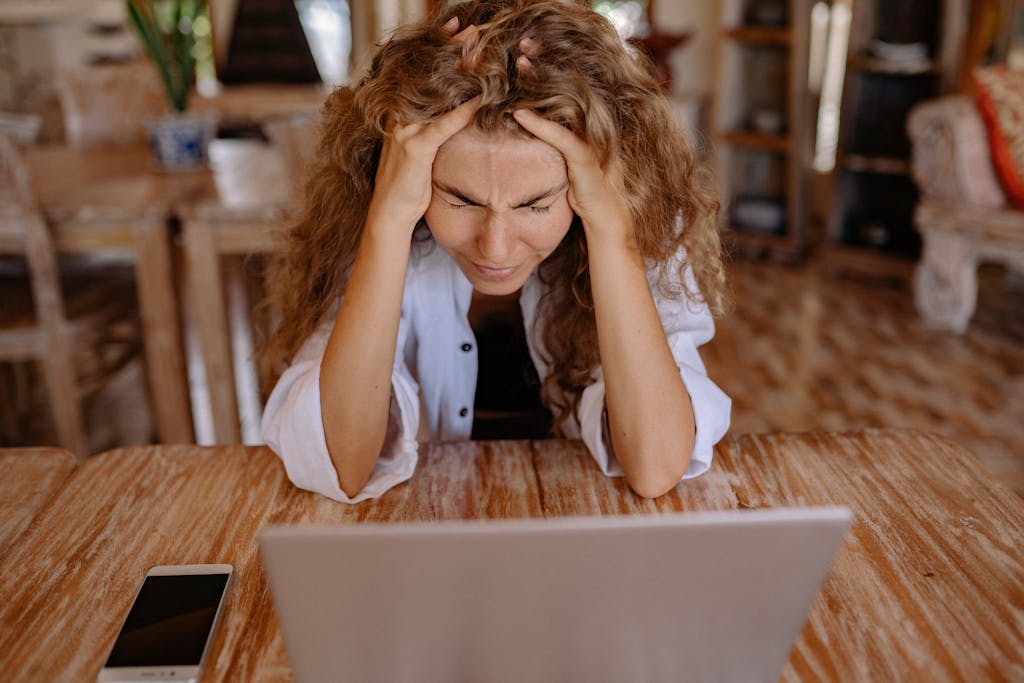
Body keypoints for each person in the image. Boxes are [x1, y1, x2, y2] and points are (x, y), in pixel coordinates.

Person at [260, 0, 731, 503]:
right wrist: (388, 219)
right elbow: (341, 466)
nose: (496, 247)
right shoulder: (368, 219)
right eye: (461, 199)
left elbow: (656, 467)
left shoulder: (636, 221)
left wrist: (612, 232)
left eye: (535, 204)